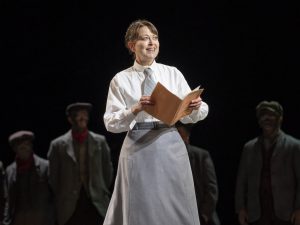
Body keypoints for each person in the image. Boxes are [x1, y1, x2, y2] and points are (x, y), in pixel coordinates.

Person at [103, 19, 209, 225]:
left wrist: (195, 106)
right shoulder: (121, 79)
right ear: (132, 46)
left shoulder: (172, 73)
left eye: (155, 38)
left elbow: (196, 113)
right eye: (145, 38)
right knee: (141, 207)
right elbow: (110, 123)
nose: (152, 43)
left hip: (170, 144)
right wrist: (135, 109)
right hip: (138, 146)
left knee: (175, 206)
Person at [47, 102, 113, 225]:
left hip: (96, 202)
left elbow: (107, 171)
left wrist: (100, 188)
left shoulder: (99, 141)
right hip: (69, 206)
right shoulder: (57, 145)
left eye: (85, 114)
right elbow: (53, 178)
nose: (83, 118)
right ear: (70, 119)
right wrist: (64, 194)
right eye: (78, 115)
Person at [235, 100, 300, 225]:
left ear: (280, 118)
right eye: (263, 115)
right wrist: (241, 208)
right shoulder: (249, 148)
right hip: (257, 213)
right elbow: (241, 180)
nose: (267, 118)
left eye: (272, 115)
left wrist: (299, 208)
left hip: (285, 213)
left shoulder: (294, 146)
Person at [2, 130, 54, 225]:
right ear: (15, 149)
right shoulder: (10, 171)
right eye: (20, 146)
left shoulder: (45, 167)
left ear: (31, 146)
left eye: (27, 144)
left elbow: (55, 195)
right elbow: (8, 200)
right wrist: (6, 221)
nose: (24, 148)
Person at [176, 122, 221, 225]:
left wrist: (204, 215)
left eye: (179, 132)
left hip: (201, 216)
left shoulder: (201, 156)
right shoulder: (167, 158)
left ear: (187, 136)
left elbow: (211, 188)